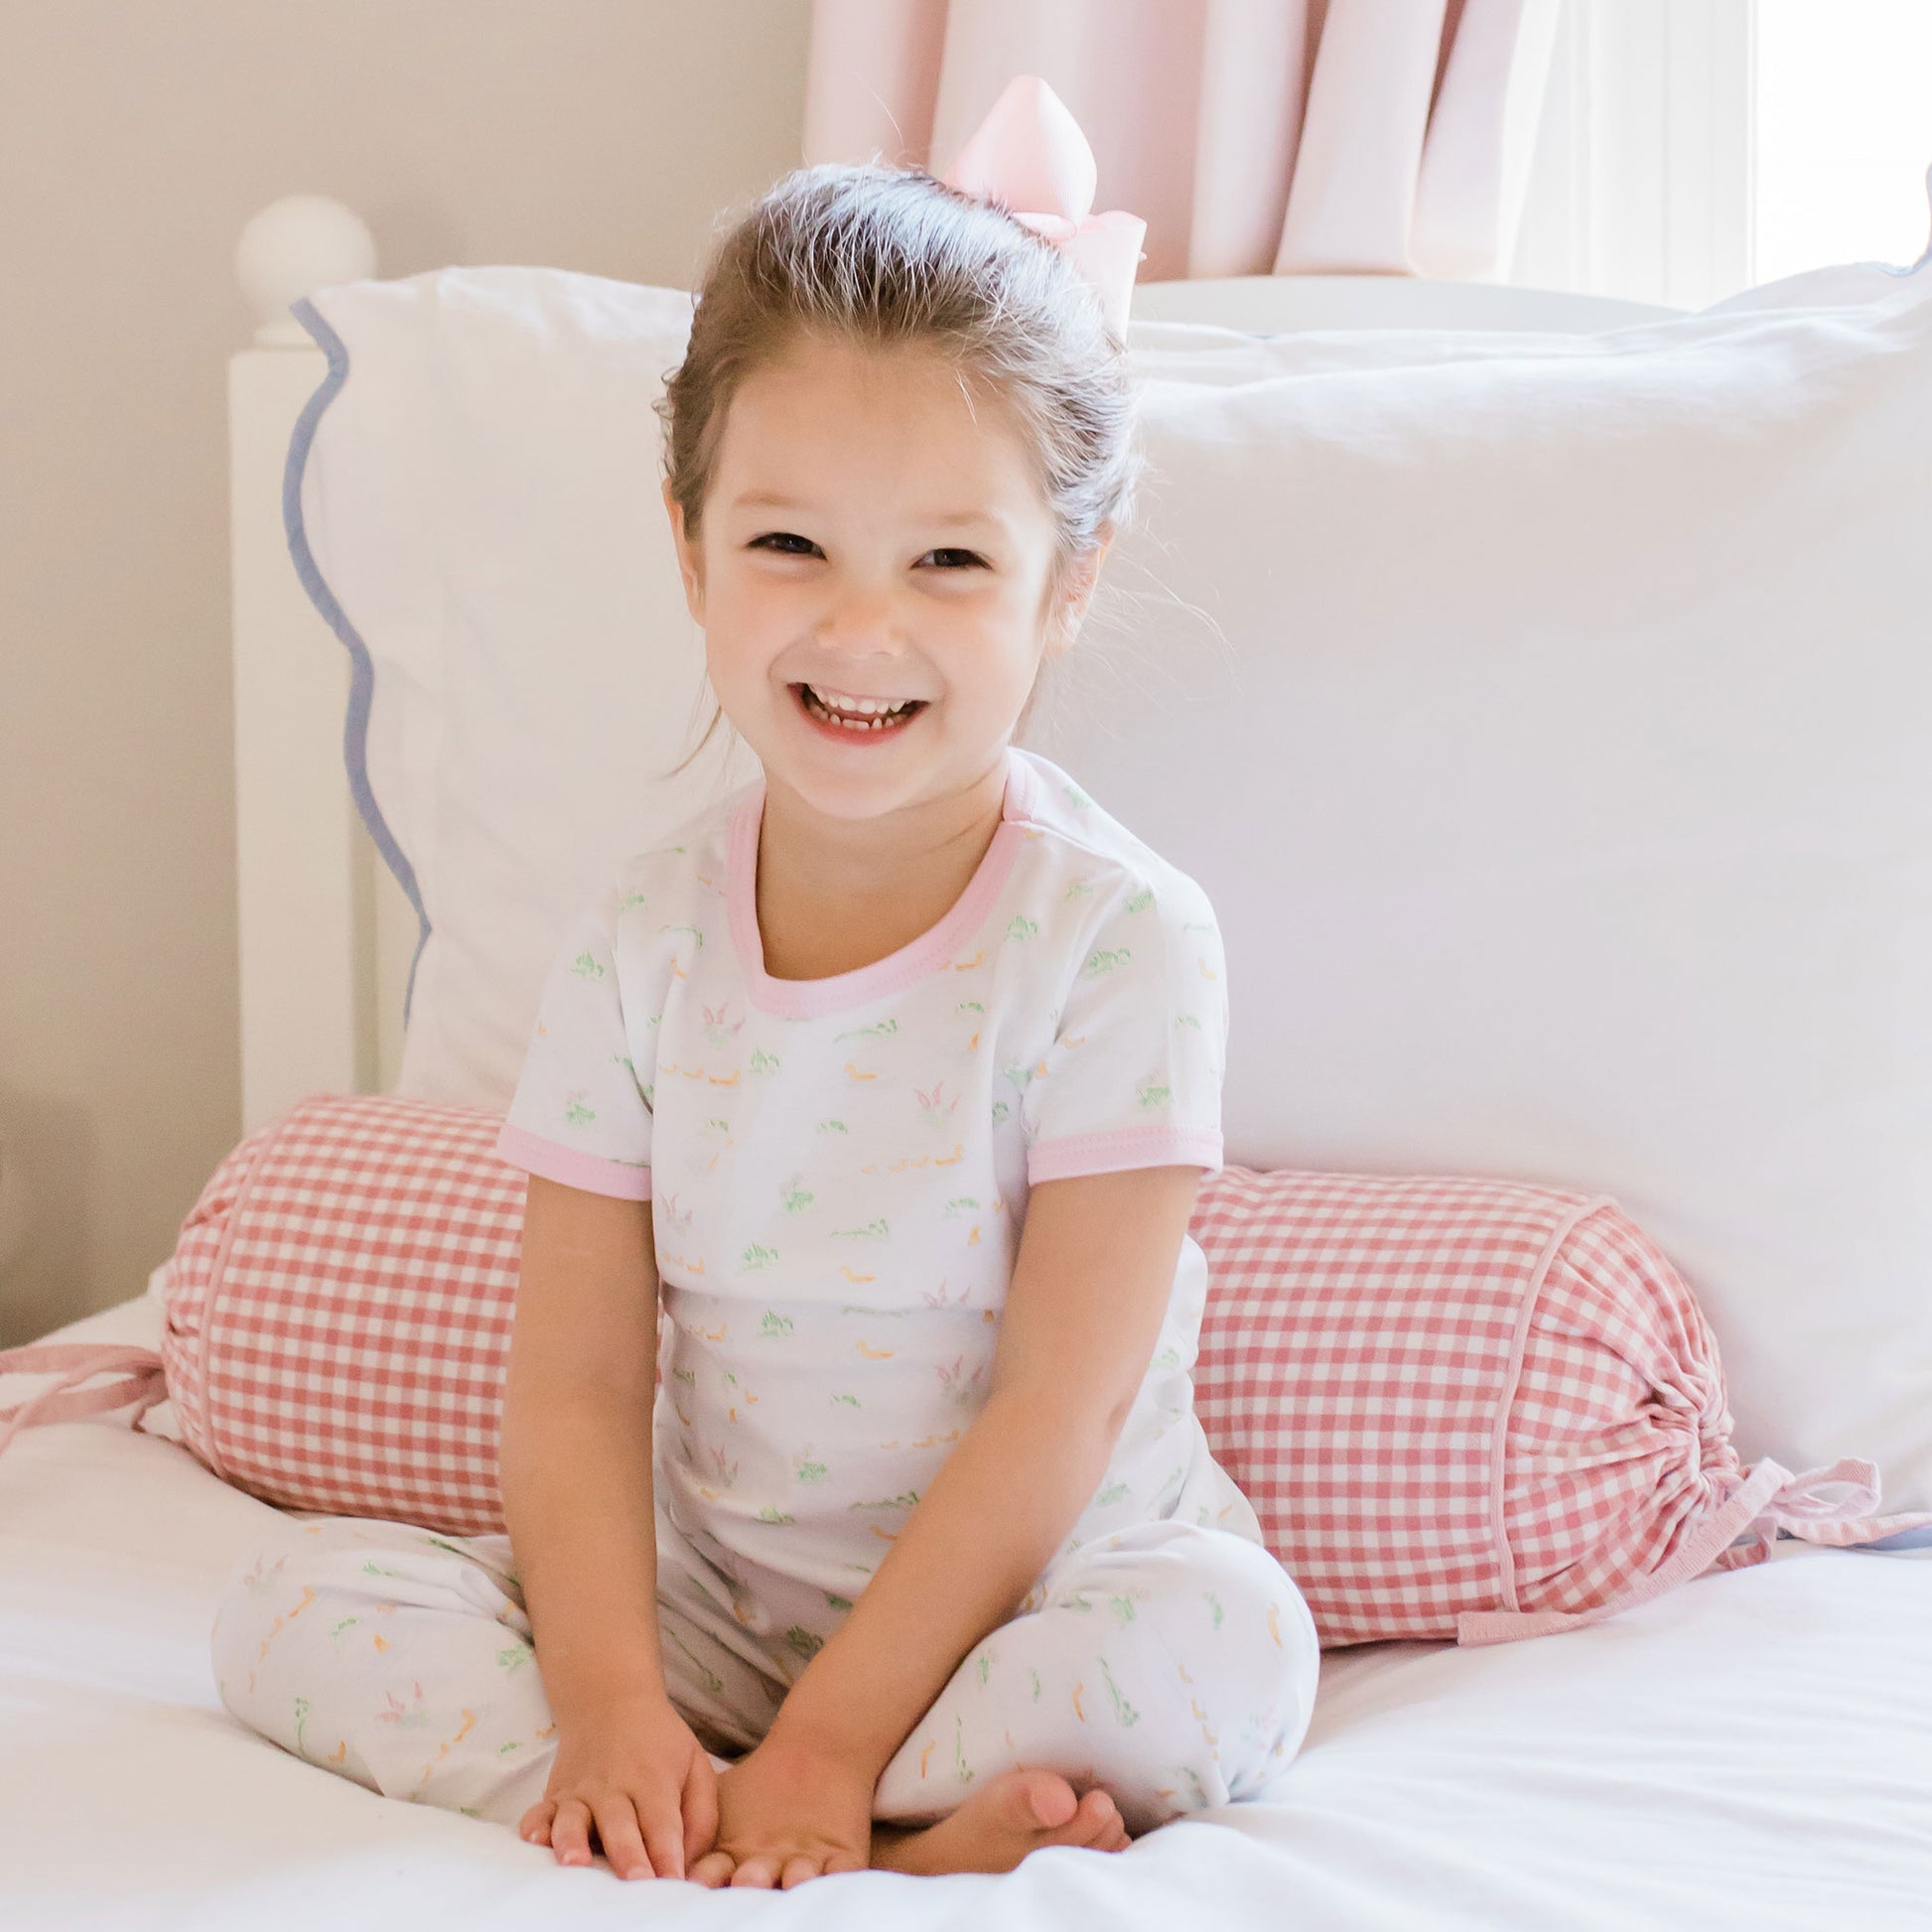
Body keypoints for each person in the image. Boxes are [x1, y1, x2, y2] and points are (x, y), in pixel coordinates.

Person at [210, 158, 1320, 1888]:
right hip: (710, 1614)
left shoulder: (1118, 942)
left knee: (1220, 1652)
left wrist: (830, 1736)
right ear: (689, 546)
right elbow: (578, 1384)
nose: (859, 626)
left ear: (1066, 584)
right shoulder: (643, 935)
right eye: (788, 543)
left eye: (950, 558)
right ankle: (733, 1808)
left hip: (1021, 1602)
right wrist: (604, 1701)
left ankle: (820, 1802)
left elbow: (1056, 1413)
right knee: (288, 1606)